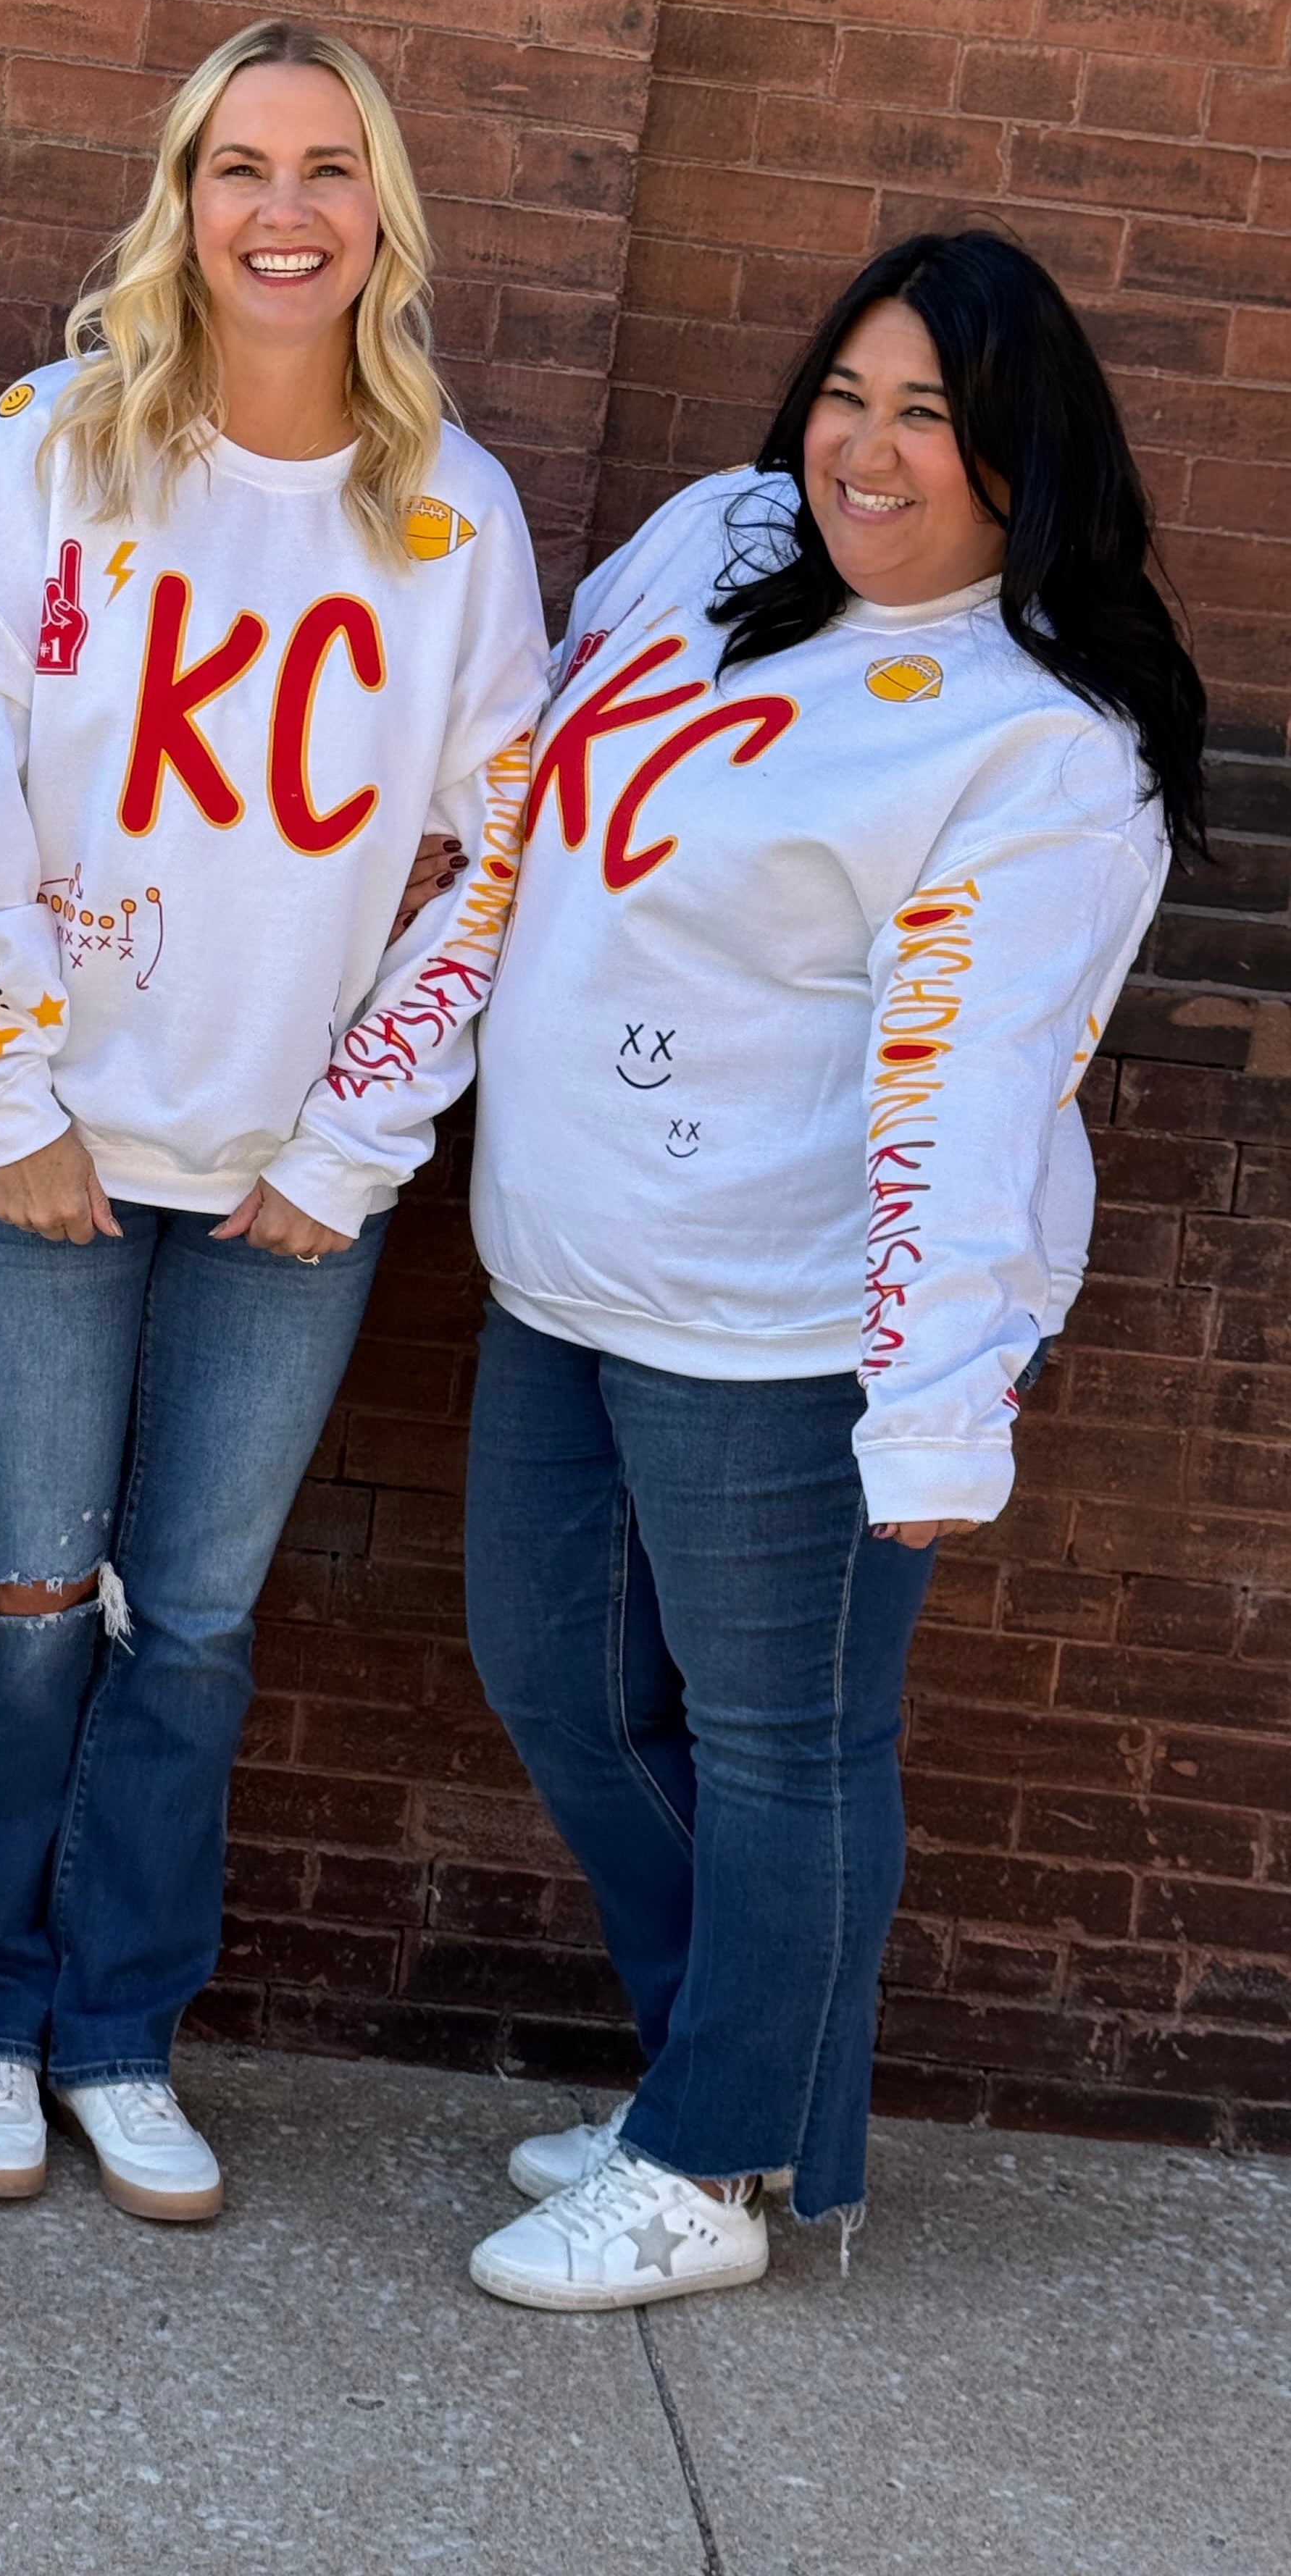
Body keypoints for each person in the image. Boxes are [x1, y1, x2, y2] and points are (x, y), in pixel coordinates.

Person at [462, 229, 1206, 2309]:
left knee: (788, 1746)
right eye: (847, 397)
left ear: (1021, 460)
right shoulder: (719, 548)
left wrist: (940, 1401)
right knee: (559, 1683)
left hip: (793, 1329)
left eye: (931, 418)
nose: (866, 452)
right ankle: (756, 2085)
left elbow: (976, 1092)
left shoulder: (1040, 745)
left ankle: (709, 2157)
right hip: (564, 1271)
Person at [0, 19, 549, 2221]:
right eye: (240, 165)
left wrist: (353, 1140)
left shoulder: (452, 509)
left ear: (384, 214)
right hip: (38, 1149)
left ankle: (121, 2035)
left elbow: (501, 853)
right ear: (181, 202)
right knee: (33, 1590)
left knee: (194, 1617)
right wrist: (4, 1090)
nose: (284, 209)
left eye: (328, 167)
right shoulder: (57, 445)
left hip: (291, 1174)